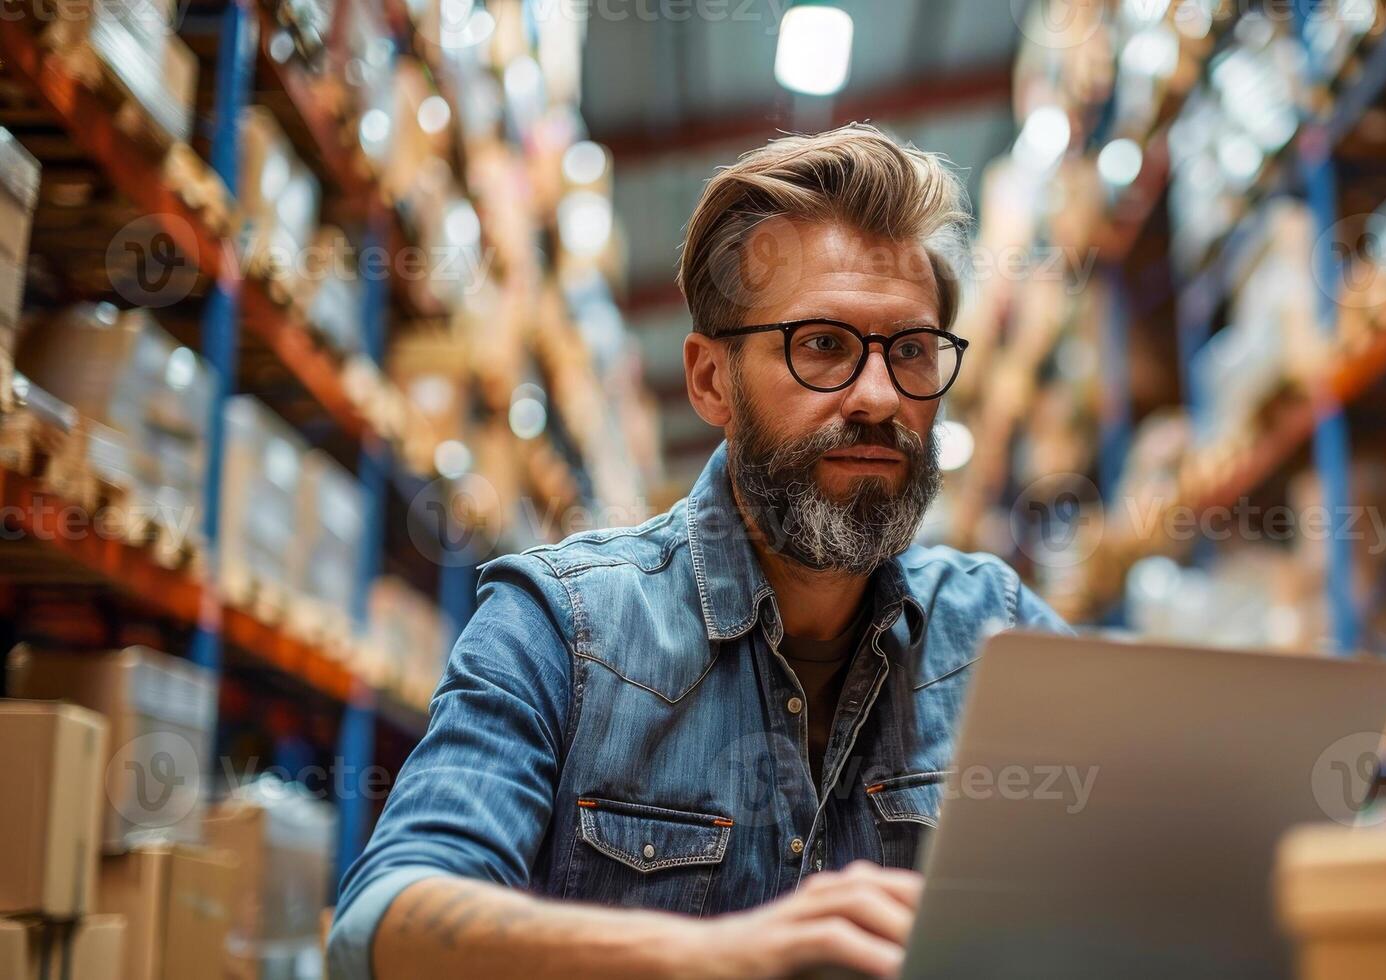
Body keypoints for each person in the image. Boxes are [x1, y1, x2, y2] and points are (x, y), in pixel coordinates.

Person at [327, 124, 1068, 980]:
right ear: (711, 381)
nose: (877, 396)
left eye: (910, 352)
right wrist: (710, 954)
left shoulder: (1002, 635)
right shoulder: (561, 630)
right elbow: (382, 926)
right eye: (823, 345)